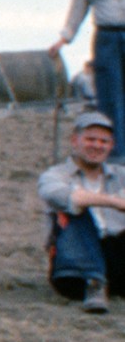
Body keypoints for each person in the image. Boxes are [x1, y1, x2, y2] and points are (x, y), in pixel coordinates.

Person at [51, 0, 125, 157]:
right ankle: (117, 155)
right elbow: (78, 7)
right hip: (106, 38)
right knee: (109, 96)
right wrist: (64, 38)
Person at [39, 111, 125, 313]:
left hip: (116, 259)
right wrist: (115, 202)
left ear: (111, 146)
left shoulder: (121, 175)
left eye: (104, 141)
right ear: (74, 141)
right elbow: (67, 198)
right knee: (73, 211)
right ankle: (94, 281)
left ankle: (102, 282)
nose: (97, 145)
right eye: (90, 139)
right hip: (73, 270)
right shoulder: (55, 175)